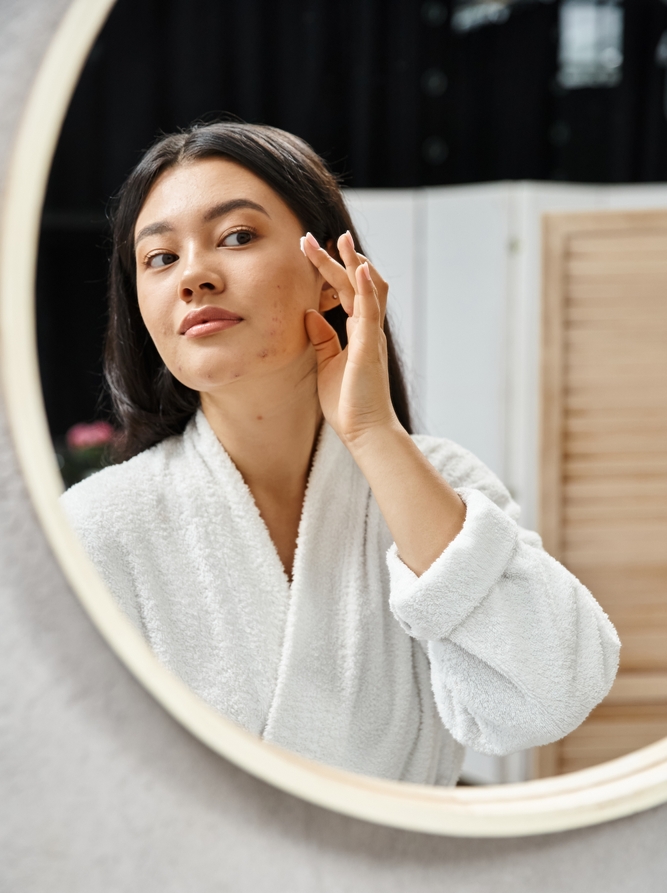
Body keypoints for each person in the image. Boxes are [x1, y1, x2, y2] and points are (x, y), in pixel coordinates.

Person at [62, 122, 619, 785]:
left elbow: (548, 696)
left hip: (406, 882)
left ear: (331, 276)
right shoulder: (99, 526)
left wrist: (374, 433)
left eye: (236, 237)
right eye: (159, 258)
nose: (194, 277)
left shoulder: (440, 484)